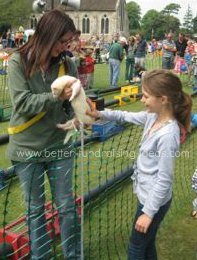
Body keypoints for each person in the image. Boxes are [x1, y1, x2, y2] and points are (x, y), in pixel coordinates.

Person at [86, 69, 192, 260]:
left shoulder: (168, 135)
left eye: (145, 96)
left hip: (154, 201)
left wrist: (148, 213)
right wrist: (98, 113)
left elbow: (164, 179)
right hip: (148, 197)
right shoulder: (153, 117)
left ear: (163, 99)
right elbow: (125, 116)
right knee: (147, 244)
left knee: (135, 248)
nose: (142, 100)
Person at [7, 9, 81, 259]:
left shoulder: (68, 64)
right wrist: (56, 96)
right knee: (35, 211)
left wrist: (77, 114)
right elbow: (23, 104)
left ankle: (73, 255)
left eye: (68, 41)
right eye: (62, 41)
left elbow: (72, 103)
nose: (65, 46)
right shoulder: (17, 61)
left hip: (60, 147)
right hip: (27, 151)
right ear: (48, 35)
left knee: (67, 207)